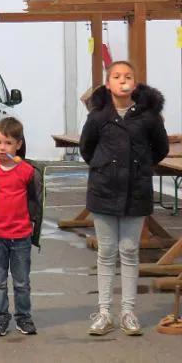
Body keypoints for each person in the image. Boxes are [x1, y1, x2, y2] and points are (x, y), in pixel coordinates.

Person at [80, 60, 169, 336]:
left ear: (135, 82)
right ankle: (104, 312)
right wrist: (105, 167)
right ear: (108, 84)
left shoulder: (149, 117)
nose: (123, 80)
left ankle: (128, 312)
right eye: (117, 76)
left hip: (136, 191)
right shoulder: (98, 116)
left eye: (127, 76)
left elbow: (160, 148)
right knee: (106, 252)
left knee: (129, 251)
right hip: (103, 191)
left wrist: (140, 167)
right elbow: (87, 149)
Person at [0, 117, 43, 337]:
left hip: (21, 236)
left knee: (21, 282)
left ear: (18, 144)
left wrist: (31, 224)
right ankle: (0, 318)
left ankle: (24, 317)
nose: (2, 148)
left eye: (8, 143)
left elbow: (35, 199)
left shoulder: (27, 171)